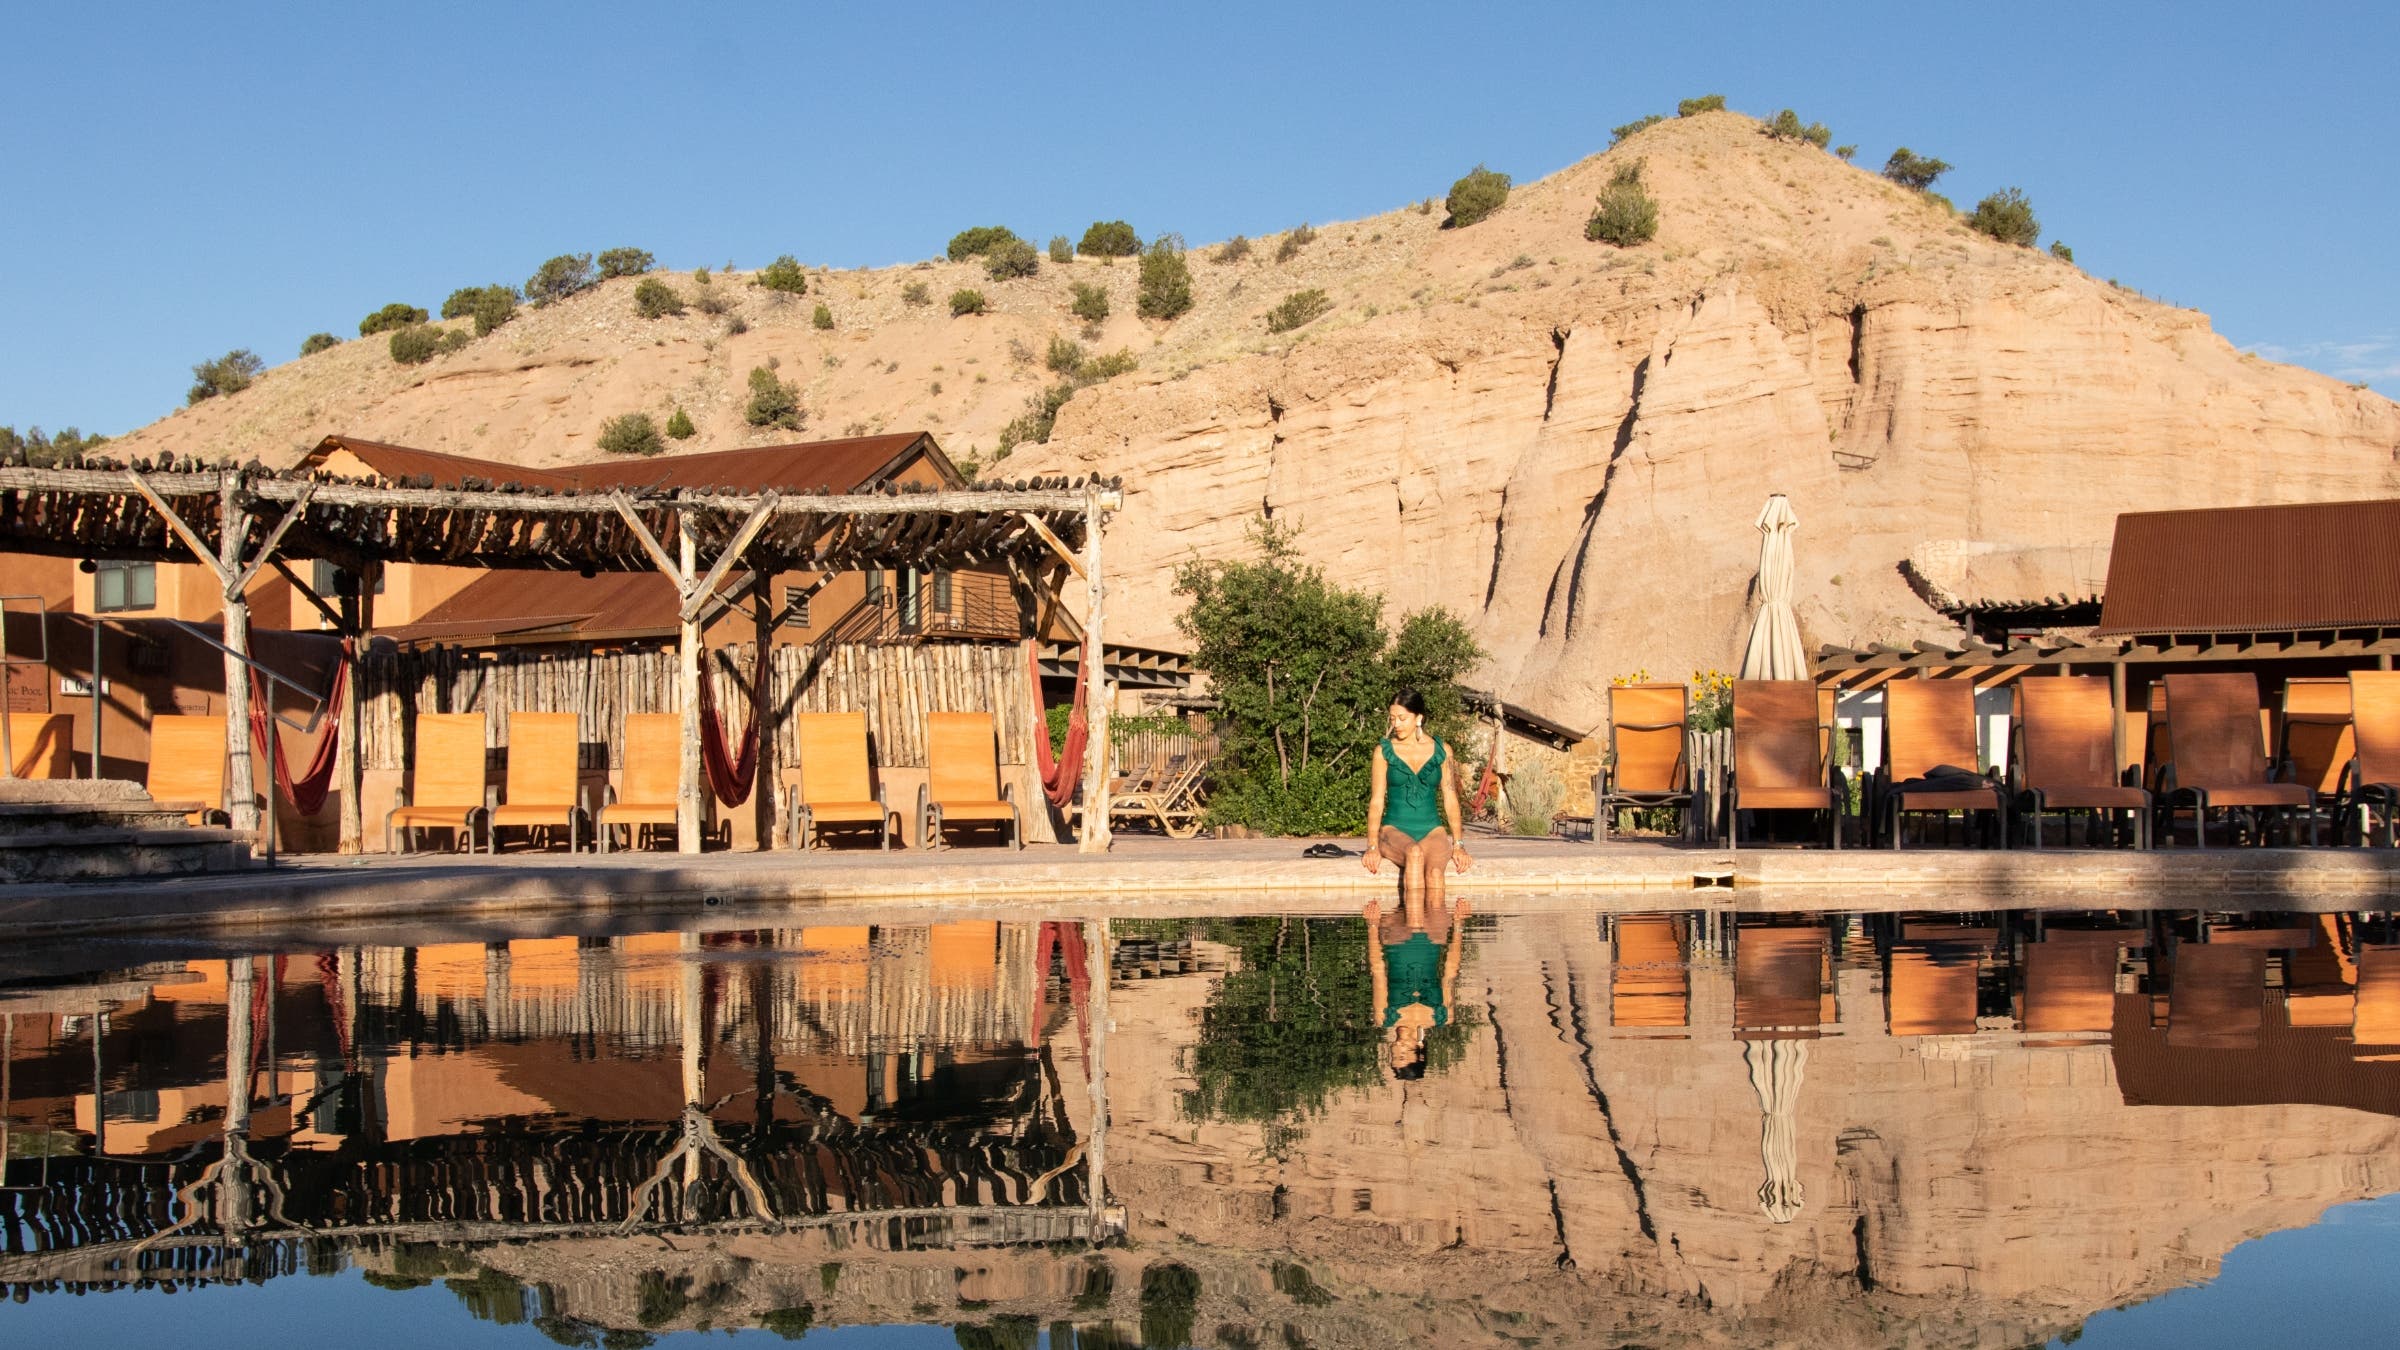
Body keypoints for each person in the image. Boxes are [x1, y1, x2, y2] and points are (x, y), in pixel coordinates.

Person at [1362, 688, 1472, 913]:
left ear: (1418, 718)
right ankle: (1413, 925)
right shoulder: (1383, 751)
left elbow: (1450, 798)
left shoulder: (1443, 751)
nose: (1396, 724)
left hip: (1432, 830)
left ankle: (1436, 930)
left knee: (1435, 874)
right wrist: (1372, 846)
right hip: (1394, 830)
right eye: (1392, 719)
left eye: (1402, 718)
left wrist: (1459, 845)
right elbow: (1376, 801)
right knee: (1414, 853)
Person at [1365, 894, 1470, 1080]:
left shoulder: (1384, 1017)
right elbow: (1450, 971)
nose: (1396, 1047)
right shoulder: (1443, 1016)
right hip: (1433, 938)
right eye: (1402, 1055)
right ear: (1420, 1051)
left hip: (1397, 939)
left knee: (1415, 885)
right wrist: (1458, 925)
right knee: (1435, 883)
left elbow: (1378, 970)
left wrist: (1372, 925)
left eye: (1393, 1056)